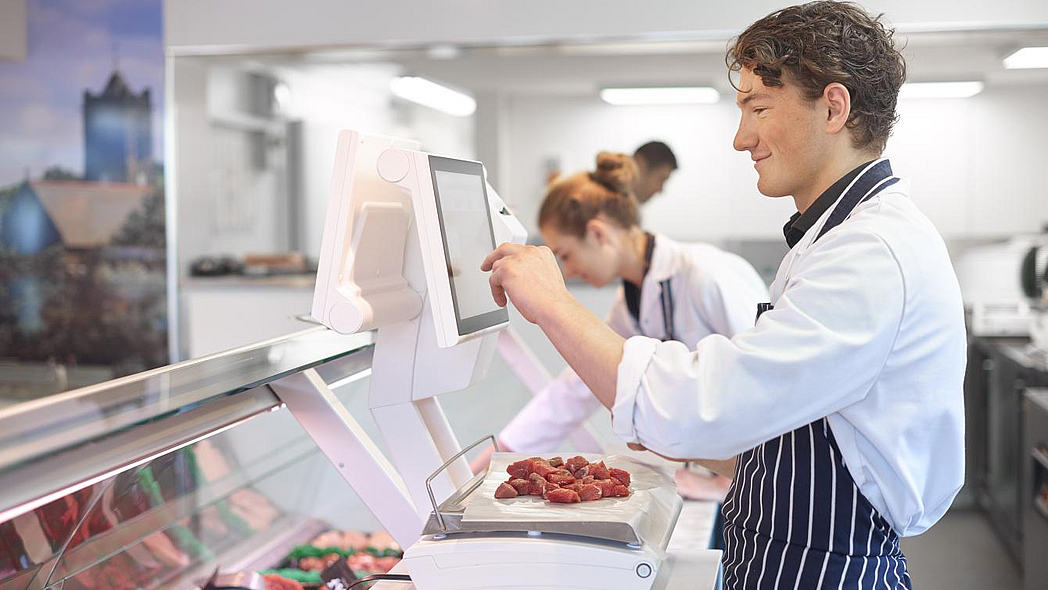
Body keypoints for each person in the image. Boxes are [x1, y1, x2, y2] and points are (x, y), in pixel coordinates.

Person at [481, 2, 966, 588]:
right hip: (777, 552)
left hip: (823, 569)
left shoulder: (870, 253)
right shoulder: (834, 240)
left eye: (758, 108)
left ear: (833, 108)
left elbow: (703, 402)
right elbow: (779, 420)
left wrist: (554, 303)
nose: (742, 139)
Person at [472, 151, 767, 504]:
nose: (566, 271)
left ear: (597, 233)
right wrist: (495, 457)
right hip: (725, 476)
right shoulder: (629, 305)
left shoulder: (707, 275)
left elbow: (767, 385)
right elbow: (576, 389)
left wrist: (726, 483)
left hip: (761, 480)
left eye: (564, 255)